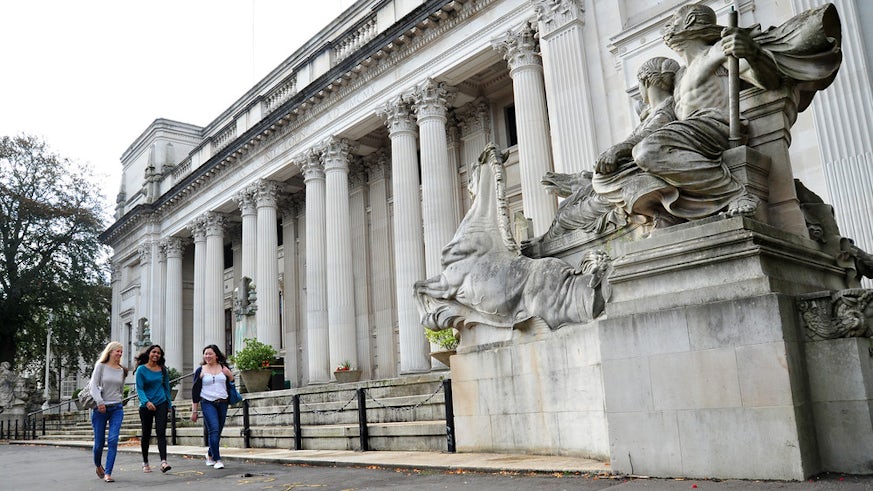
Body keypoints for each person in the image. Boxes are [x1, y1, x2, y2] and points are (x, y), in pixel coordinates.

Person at [190, 344, 235, 470]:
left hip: (223, 402)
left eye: (210, 353)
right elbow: (195, 392)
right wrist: (194, 411)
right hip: (207, 402)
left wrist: (230, 375)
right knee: (214, 429)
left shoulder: (223, 368)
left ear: (216, 355)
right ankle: (217, 459)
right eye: (205, 354)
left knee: (218, 431)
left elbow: (232, 383)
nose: (207, 356)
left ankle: (210, 454)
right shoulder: (200, 370)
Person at [89, 341, 128, 483]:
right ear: (110, 352)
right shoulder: (100, 366)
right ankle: (98, 465)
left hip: (116, 408)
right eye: (117, 351)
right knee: (99, 443)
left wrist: (119, 401)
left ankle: (108, 473)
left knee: (113, 440)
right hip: (100, 409)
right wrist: (100, 402)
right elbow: (93, 386)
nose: (120, 354)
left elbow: (120, 389)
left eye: (121, 352)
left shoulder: (122, 370)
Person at [134, 344, 173, 473]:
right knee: (146, 433)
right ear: (149, 353)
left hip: (161, 403)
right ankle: (145, 462)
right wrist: (146, 402)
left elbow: (166, 388)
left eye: (159, 353)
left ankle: (164, 462)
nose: (156, 354)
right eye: (154, 352)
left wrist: (169, 404)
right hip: (146, 405)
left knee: (161, 432)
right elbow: (139, 388)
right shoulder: (141, 369)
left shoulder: (162, 370)